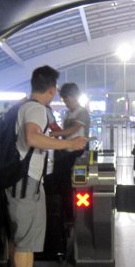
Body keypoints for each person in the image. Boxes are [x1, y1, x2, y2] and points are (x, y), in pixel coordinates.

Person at [8, 66, 87, 267]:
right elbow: (32, 137)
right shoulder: (36, 109)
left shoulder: (23, 106)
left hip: (19, 181)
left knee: (21, 235)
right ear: (52, 90)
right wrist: (68, 145)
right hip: (26, 182)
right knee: (26, 238)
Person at [49, 82, 91, 220]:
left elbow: (73, 129)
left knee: (71, 184)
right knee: (62, 183)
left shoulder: (82, 112)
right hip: (66, 151)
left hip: (77, 152)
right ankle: (65, 213)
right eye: (64, 99)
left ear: (75, 97)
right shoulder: (68, 113)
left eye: (67, 99)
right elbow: (65, 132)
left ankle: (73, 215)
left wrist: (53, 135)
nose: (66, 102)